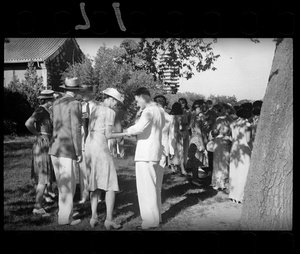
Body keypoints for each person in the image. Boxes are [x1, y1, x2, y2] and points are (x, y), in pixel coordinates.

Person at [85, 88, 127, 229]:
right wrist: (124, 134)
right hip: (100, 144)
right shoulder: (109, 112)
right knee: (110, 182)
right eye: (115, 101)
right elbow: (109, 135)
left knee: (95, 180)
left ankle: (93, 217)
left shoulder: (95, 109)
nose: (116, 104)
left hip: (89, 143)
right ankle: (109, 219)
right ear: (110, 99)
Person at [125, 87, 165, 230]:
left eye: (137, 101)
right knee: (154, 187)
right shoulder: (160, 110)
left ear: (142, 96)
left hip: (146, 154)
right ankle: (156, 218)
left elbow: (138, 128)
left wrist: (125, 132)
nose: (137, 104)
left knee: (145, 189)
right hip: (154, 153)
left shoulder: (148, 111)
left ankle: (149, 221)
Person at [49, 77, 84, 226]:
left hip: (55, 147)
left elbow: (54, 123)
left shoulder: (56, 102)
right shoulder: (75, 104)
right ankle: (65, 218)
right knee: (68, 184)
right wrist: (78, 151)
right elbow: (76, 129)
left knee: (61, 183)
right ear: (76, 91)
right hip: (67, 148)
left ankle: (63, 212)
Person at [25, 90, 55, 217]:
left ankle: (43, 199)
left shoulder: (45, 111)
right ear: (47, 100)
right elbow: (28, 123)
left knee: (44, 175)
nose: (53, 102)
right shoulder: (41, 110)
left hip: (45, 143)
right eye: (51, 100)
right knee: (42, 176)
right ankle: (37, 207)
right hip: (42, 145)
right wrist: (38, 134)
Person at [153, 94, 174, 224]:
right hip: (163, 150)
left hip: (152, 150)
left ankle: (152, 215)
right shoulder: (169, 117)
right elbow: (171, 136)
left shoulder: (152, 114)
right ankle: (157, 215)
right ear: (165, 104)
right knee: (158, 183)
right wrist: (171, 152)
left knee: (151, 181)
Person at [77, 85, 99, 204]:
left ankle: (96, 194)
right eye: (81, 92)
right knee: (83, 170)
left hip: (94, 139)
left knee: (94, 169)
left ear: (91, 92)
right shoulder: (79, 106)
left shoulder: (97, 106)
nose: (82, 94)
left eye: (84, 92)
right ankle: (84, 195)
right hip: (82, 140)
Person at [228, 106, 252, 203]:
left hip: (234, 148)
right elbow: (248, 140)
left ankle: (233, 194)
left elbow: (232, 137)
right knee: (243, 172)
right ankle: (240, 196)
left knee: (234, 171)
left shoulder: (233, 124)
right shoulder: (247, 125)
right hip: (244, 149)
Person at [210, 122, 232, 191]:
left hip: (221, 157)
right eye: (226, 129)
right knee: (221, 168)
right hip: (221, 156)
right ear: (221, 130)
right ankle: (220, 183)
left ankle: (221, 183)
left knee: (220, 168)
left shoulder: (218, 138)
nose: (228, 131)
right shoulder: (225, 139)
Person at [169, 102, 187, 175]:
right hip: (177, 135)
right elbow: (179, 127)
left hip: (170, 135)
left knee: (172, 151)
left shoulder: (170, 116)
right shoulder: (179, 117)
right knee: (180, 151)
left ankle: (173, 167)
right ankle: (182, 168)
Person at [178, 97, 191, 167]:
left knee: (185, 147)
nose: (182, 104)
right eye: (180, 103)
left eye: (183, 103)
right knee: (179, 148)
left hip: (185, 129)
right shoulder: (176, 111)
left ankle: (184, 163)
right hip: (178, 130)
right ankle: (178, 164)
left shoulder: (187, 112)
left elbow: (190, 121)